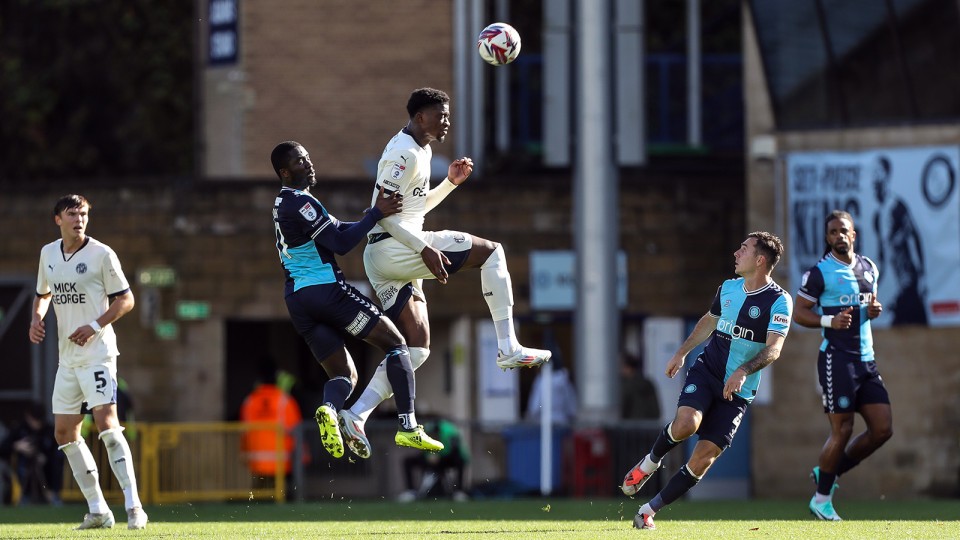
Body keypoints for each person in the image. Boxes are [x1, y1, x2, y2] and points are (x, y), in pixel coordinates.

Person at [338, 87, 552, 459]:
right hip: (393, 247)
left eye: (448, 115)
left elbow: (413, 209)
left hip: (388, 256)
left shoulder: (420, 150)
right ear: (421, 117)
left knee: (416, 348)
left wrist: (449, 184)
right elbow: (382, 215)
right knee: (492, 253)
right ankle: (508, 346)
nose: (447, 122)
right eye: (441, 115)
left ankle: (356, 415)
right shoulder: (403, 153)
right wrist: (423, 248)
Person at [270, 141, 443, 460]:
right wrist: (376, 213)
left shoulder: (286, 202)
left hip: (298, 301)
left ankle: (329, 408)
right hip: (325, 291)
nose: (308, 163)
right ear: (285, 172)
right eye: (298, 161)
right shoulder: (299, 202)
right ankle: (408, 426)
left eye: (307, 157)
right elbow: (340, 243)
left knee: (345, 376)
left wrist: (374, 220)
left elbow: (336, 229)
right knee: (397, 344)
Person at [620, 232, 792, 530]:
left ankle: (647, 512)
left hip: (738, 392)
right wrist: (681, 352)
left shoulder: (779, 300)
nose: (736, 253)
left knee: (704, 458)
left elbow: (774, 348)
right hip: (708, 372)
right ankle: (649, 463)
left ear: (760, 260)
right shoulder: (728, 288)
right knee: (686, 424)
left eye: (744, 249)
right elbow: (709, 322)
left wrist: (743, 371)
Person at [28, 194, 148, 529]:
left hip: (98, 354)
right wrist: (37, 318)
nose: (79, 219)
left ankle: (134, 507)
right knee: (64, 432)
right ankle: (98, 511)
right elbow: (43, 294)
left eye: (83, 214)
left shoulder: (101, 254)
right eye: (72, 214)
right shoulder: (48, 253)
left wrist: (95, 325)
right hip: (67, 360)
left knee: (107, 424)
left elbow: (126, 299)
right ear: (58, 219)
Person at [794, 210, 891, 521]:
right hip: (837, 360)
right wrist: (829, 321)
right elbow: (799, 312)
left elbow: (869, 306)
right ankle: (821, 500)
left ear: (853, 234)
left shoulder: (869, 267)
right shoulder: (819, 273)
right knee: (843, 429)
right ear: (827, 237)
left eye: (843, 230)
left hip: (866, 360)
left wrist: (874, 311)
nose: (839, 236)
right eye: (833, 232)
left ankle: (828, 472)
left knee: (882, 429)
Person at [871, 156, 927, 325]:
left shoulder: (897, 207)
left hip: (908, 284)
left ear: (886, 175)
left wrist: (922, 276)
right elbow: (882, 257)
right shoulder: (877, 216)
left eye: (878, 172)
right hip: (895, 288)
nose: (874, 178)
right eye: (873, 173)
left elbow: (914, 239)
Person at [239, 360, 304, 482]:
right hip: (281, 465)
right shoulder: (285, 401)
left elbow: (244, 432)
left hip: (256, 465)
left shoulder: (249, 402)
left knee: (260, 492)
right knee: (281, 492)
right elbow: (297, 432)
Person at [0, 402, 63, 505]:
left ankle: (53, 493)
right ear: (28, 417)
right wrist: (16, 446)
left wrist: (44, 456)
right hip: (24, 478)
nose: (36, 424)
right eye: (34, 420)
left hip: (47, 479)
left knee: (57, 458)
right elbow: (3, 449)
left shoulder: (49, 431)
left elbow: (57, 457)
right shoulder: (19, 429)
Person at [398, 416, 470, 502]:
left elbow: (455, 451)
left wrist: (439, 457)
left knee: (459, 461)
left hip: (448, 458)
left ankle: (459, 492)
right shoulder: (424, 430)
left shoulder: (449, 432)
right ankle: (411, 491)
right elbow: (422, 449)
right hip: (433, 458)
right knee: (408, 461)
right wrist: (428, 456)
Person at [525, 356, 578, 425]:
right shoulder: (564, 379)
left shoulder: (541, 380)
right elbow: (570, 403)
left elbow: (535, 405)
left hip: (544, 421)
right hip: (561, 419)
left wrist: (531, 414)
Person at [619, 354, 661, 421]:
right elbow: (656, 410)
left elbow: (623, 409)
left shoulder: (626, 385)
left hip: (630, 424)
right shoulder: (648, 383)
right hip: (649, 424)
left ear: (628, 368)